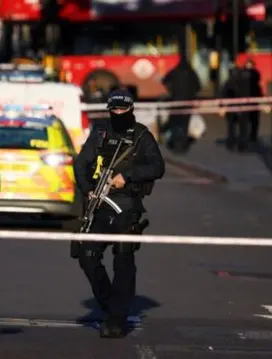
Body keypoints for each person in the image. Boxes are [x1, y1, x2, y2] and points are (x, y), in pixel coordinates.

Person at [73, 89, 165, 338]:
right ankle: (109, 301)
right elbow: (81, 164)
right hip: (99, 205)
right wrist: (88, 190)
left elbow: (157, 167)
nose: (118, 114)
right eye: (114, 110)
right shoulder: (101, 133)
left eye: (123, 110)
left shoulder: (141, 136)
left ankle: (116, 318)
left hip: (127, 207)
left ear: (131, 110)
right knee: (86, 254)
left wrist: (128, 176)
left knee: (123, 261)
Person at [161, 54, 201, 153]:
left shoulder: (175, 71)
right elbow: (198, 86)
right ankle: (182, 146)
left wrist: (171, 89)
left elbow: (164, 80)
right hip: (188, 102)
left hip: (175, 101)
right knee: (184, 124)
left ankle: (174, 144)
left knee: (175, 123)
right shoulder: (192, 73)